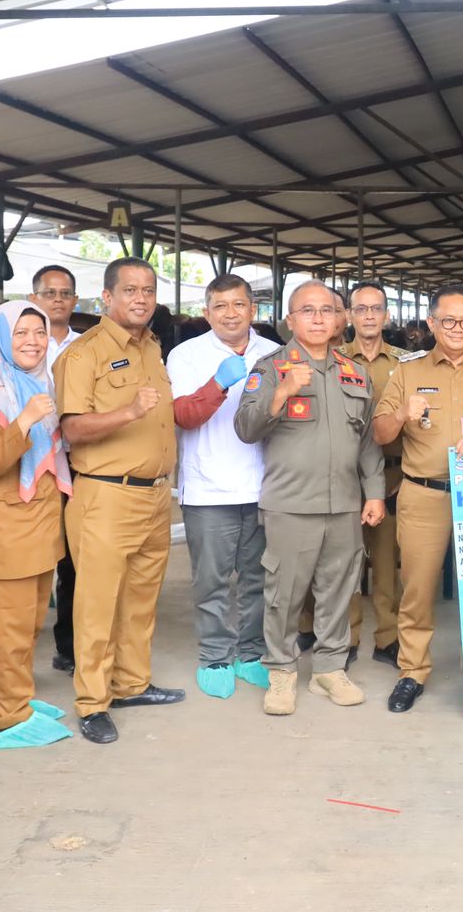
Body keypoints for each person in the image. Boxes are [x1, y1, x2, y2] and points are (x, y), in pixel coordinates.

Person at [234, 280, 386, 716]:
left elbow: (369, 442)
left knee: (340, 589)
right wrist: (282, 393)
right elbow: (245, 428)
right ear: (290, 320)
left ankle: (328, 669)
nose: (318, 318)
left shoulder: (355, 372)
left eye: (326, 311)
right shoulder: (270, 368)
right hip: (290, 503)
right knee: (285, 591)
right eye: (307, 311)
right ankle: (281, 673)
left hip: (344, 502)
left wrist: (373, 493)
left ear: (340, 319)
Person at [372, 284, 463, 713]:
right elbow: (380, 435)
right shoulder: (407, 371)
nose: (458, 329)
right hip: (425, 495)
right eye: (449, 321)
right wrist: (402, 413)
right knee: (417, 588)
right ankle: (412, 671)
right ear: (432, 324)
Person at [55, 257, 184, 745]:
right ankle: (92, 701)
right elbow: (71, 427)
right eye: (130, 290)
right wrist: (127, 411)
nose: (140, 299)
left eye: (148, 290)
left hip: (153, 497)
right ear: (107, 297)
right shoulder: (83, 354)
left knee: (140, 599)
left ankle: (131, 683)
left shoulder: (153, 347)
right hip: (106, 495)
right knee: (96, 603)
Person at [0, 299, 74, 750]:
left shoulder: (37, 381)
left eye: (39, 332)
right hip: (4, 522)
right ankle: (7, 715)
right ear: (1, 338)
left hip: (41, 519)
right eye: (21, 333)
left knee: (27, 625)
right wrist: (24, 420)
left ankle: (8, 699)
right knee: (9, 627)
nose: (32, 341)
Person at [166, 274, 279, 699]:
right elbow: (182, 414)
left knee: (257, 579)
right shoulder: (186, 355)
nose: (230, 314)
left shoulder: (275, 352)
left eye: (238, 305)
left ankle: (250, 652)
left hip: (264, 485)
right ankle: (215, 654)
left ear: (254, 309)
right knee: (211, 581)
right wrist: (218, 384)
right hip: (209, 488)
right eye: (220, 306)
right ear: (207, 312)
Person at [338, 281, 412, 664]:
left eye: (376, 308)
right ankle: (346, 639)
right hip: (343, 477)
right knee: (346, 563)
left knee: (386, 564)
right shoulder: (332, 360)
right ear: (349, 315)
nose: (369, 315)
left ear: (386, 314)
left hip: (392, 476)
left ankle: (387, 638)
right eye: (361, 308)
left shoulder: (406, 362)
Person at [31, 264, 84, 676]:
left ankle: (67, 644)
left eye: (65, 293)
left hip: (76, 464)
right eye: (50, 293)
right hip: (30, 466)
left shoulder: (88, 347)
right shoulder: (16, 345)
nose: (58, 300)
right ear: (34, 299)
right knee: (31, 561)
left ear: (76, 301)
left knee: (73, 560)